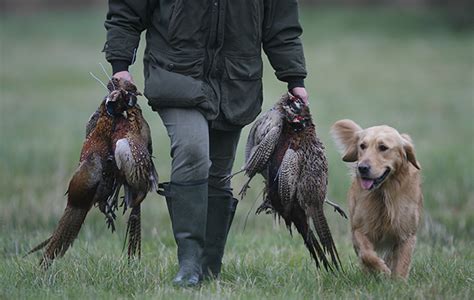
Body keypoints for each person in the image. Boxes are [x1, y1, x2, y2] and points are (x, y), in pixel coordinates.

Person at [104, 0, 308, 286]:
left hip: (236, 81)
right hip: (174, 72)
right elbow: (127, 10)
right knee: (193, 149)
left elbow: (281, 25)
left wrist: (294, 78)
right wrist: (120, 65)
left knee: (218, 174)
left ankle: (209, 268)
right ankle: (188, 264)